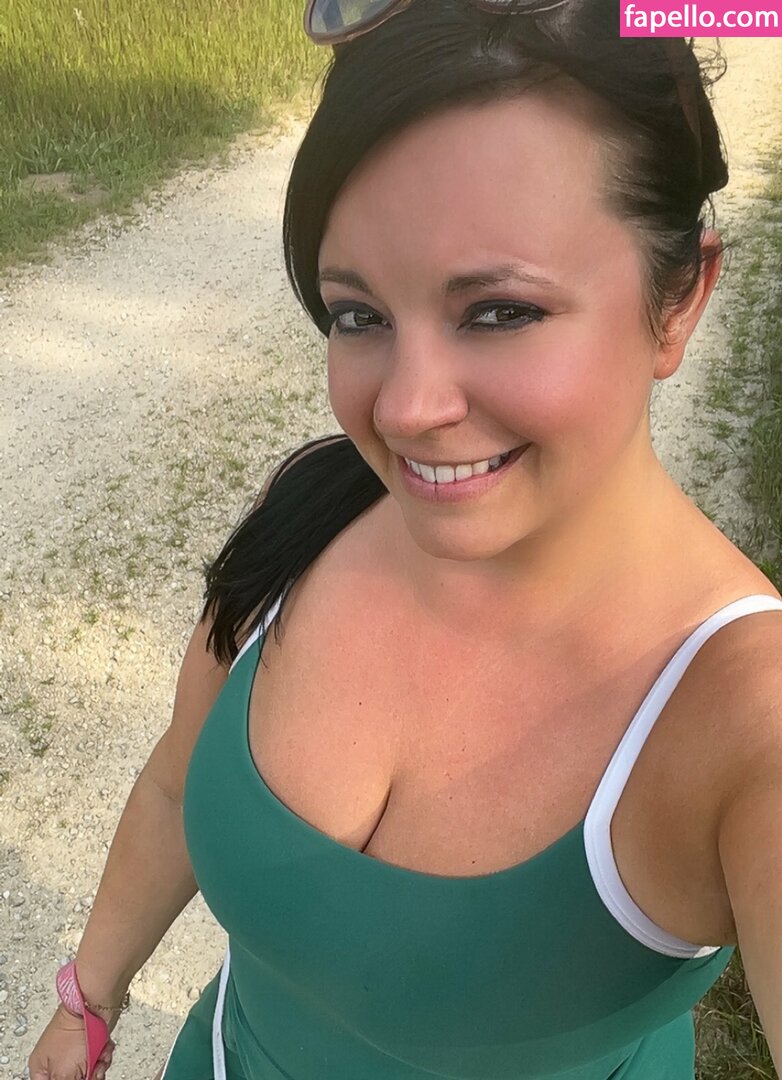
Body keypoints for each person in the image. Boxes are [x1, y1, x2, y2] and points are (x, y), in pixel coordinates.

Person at [28, 1, 782, 1078]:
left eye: (500, 311)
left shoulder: (745, 717)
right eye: (359, 315)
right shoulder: (312, 510)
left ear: (679, 299)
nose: (404, 410)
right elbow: (173, 785)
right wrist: (89, 998)